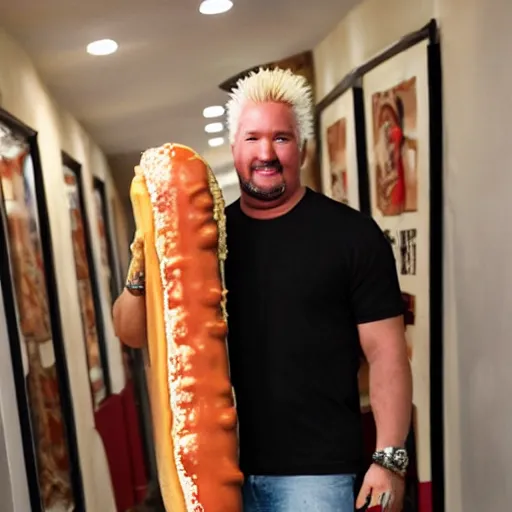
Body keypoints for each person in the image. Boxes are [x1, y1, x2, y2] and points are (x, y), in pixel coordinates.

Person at [113, 67, 412, 512]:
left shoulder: (351, 236)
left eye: (281, 138)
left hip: (318, 474)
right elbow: (133, 332)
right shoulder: (206, 242)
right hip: (222, 475)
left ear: (303, 148)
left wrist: (389, 460)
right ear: (235, 148)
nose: (266, 153)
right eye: (252, 138)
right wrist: (144, 256)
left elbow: (386, 353)